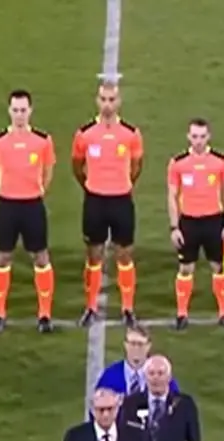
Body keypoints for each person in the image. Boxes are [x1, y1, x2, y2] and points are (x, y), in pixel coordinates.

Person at [72, 83, 144, 327]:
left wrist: (122, 183)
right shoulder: (85, 134)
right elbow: (77, 165)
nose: (107, 104)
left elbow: (136, 167)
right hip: (95, 200)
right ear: (97, 100)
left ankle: (127, 308)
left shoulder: (131, 134)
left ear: (119, 101)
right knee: (94, 256)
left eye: (112, 99)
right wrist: (91, 184)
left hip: (121, 200)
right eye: (103, 99)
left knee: (124, 255)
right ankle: (91, 307)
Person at [0, 89, 57, 334]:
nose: (19, 115)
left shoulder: (42, 140)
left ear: (30, 111)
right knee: (3, 257)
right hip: (6, 205)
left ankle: (45, 314)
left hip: (32, 205)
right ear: (9, 111)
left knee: (40, 257)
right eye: (15, 110)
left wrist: (36, 190)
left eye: (23, 110)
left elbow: (48, 171)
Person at [167, 117, 224, 328]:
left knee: (219, 267)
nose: (198, 141)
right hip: (188, 222)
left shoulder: (221, 161)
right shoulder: (177, 163)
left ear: (209, 137)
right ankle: (181, 314)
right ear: (188, 137)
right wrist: (174, 227)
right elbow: (171, 195)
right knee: (186, 268)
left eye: (202, 136)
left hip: (214, 220)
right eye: (195, 136)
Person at [95, 323, 178, 402]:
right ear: (125, 344)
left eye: (140, 344)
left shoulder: (161, 376)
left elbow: (177, 407)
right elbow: (96, 409)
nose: (136, 348)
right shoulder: (110, 376)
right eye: (132, 343)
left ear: (148, 346)